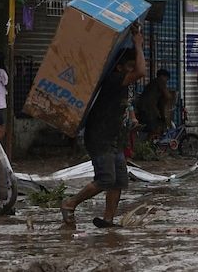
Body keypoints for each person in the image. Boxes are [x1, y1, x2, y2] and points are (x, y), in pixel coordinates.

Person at [61, 26, 146, 228]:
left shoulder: (122, 84)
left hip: (114, 139)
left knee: (119, 181)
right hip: (99, 137)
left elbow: (127, 104)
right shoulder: (113, 80)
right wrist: (138, 44)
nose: (133, 71)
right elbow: (142, 71)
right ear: (119, 67)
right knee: (106, 179)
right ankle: (70, 203)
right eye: (129, 67)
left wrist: (132, 119)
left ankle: (108, 219)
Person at [135, 69, 172, 139]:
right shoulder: (160, 81)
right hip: (148, 109)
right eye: (166, 79)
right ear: (162, 76)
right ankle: (149, 145)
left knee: (150, 129)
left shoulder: (153, 82)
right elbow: (167, 96)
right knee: (154, 129)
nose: (166, 81)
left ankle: (149, 144)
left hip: (143, 108)